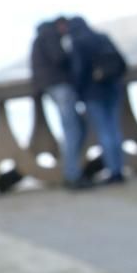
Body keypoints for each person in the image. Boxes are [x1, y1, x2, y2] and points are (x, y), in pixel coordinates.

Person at [30, 18, 89, 189]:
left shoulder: (41, 37)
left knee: (74, 128)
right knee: (73, 130)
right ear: (60, 25)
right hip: (59, 86)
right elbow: (58, 58)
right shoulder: (50, 36)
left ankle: (73, 172)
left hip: (52, 87)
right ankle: (73, 174)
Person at [69, 16, 127, 184]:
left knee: (104, 132)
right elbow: (121, 62)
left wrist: (79, 94)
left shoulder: (78, 43)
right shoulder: (102, 37)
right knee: (114, 129)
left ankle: (113, 171)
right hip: (112, 88)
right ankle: (119, 170)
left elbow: (79, 71)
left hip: (93, 93)